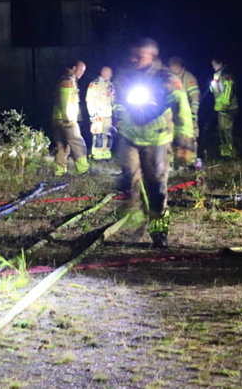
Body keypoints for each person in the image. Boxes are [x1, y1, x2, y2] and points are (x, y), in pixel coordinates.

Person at [113, 39, 196, 249]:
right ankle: (134, 212)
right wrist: (119, 115)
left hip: (157, 139)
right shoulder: (126, 75)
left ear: (151, 56)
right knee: (129, 178)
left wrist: (184, 142)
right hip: (130, 136)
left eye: (138, 55)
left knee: (156, 186)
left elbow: (182, 108)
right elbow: (118, 100)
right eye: (131, 55)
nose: (133, 59)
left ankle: (159, 230)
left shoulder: (166, 78)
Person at [52, 60, 89, 175]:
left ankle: (60, 171)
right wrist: (68, 118)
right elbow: (66, 100)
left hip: (57, 119)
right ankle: (83, 169)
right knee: (78, 143)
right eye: (81, 70)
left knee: (62, 145)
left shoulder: (63, 79)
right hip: (67, 120)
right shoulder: (69, 81)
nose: (82, 74)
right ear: (74, 68)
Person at [167, 56, 200, 165]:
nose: (171, 69)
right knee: (172, 137)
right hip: (173, 114)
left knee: (190, 138)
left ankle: (192, 162)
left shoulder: (189, 78)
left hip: (187, 115)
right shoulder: (170, 78)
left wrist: (193, 112)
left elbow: (195, 97)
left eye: (173, 67)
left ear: (178, 66)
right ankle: (174, 162)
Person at [210, 58, 238, 158]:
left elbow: (229, 89)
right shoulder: (217, 74)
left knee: (229, 131)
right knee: (222, 130)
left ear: (220, 63)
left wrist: (225, 105)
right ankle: (226, 153)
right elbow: (215, 90)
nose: (213, 66)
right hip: (220, 107)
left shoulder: (226, 73)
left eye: (214, 64)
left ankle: (233, 155)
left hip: (229, 107)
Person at [86, 66, 115, 161]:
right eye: (109, 72)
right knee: (98, 136)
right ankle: (97, 155)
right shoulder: (95, 84)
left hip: (108, 114)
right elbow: (89, 100)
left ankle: (105, 153)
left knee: (108, 135)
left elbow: (113, 100)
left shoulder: (110, 85)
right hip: (99, 115)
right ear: (103, 72)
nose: (111, 75)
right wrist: (93, 115)